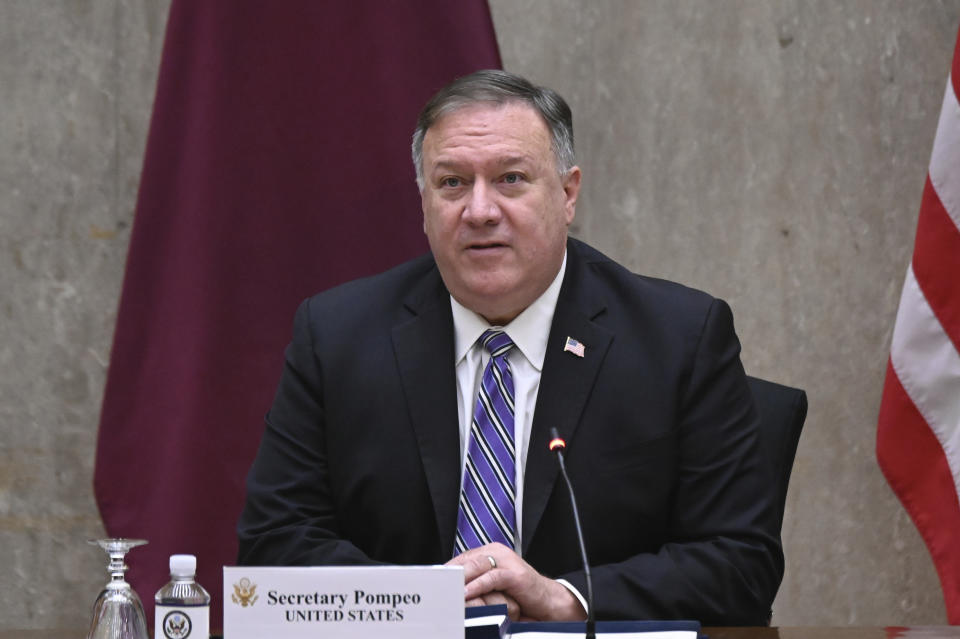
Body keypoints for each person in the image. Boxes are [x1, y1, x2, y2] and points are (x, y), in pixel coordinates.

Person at [237, 70, 783, 625]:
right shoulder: (337, 336)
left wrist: (564, 600)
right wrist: (417, 605)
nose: (480, 211)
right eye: (452, 183)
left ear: (568, 194)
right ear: (423, 202)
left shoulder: (678, 339)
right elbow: (273, 545)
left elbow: (740, 564)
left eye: (511, 179)